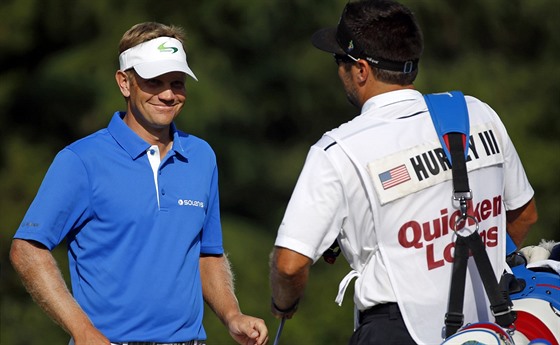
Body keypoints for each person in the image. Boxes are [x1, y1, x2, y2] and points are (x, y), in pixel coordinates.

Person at [269, 1, 538, 344]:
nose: (339, 71)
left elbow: (289, 265)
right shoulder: (478, 113)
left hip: (394, 330)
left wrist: (283, 303)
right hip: (485, 326)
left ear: (361, 69)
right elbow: (525, 215)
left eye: (340, 61)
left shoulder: (336, 150)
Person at [10, 22, 268, 345]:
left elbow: (207, 254)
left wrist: (232, 316)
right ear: (124, 83)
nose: (168, 94)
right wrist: (84, 332)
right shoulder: (81, 160)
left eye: (177, 82)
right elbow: (28, 250)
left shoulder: (202, 157)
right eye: (153, 82)